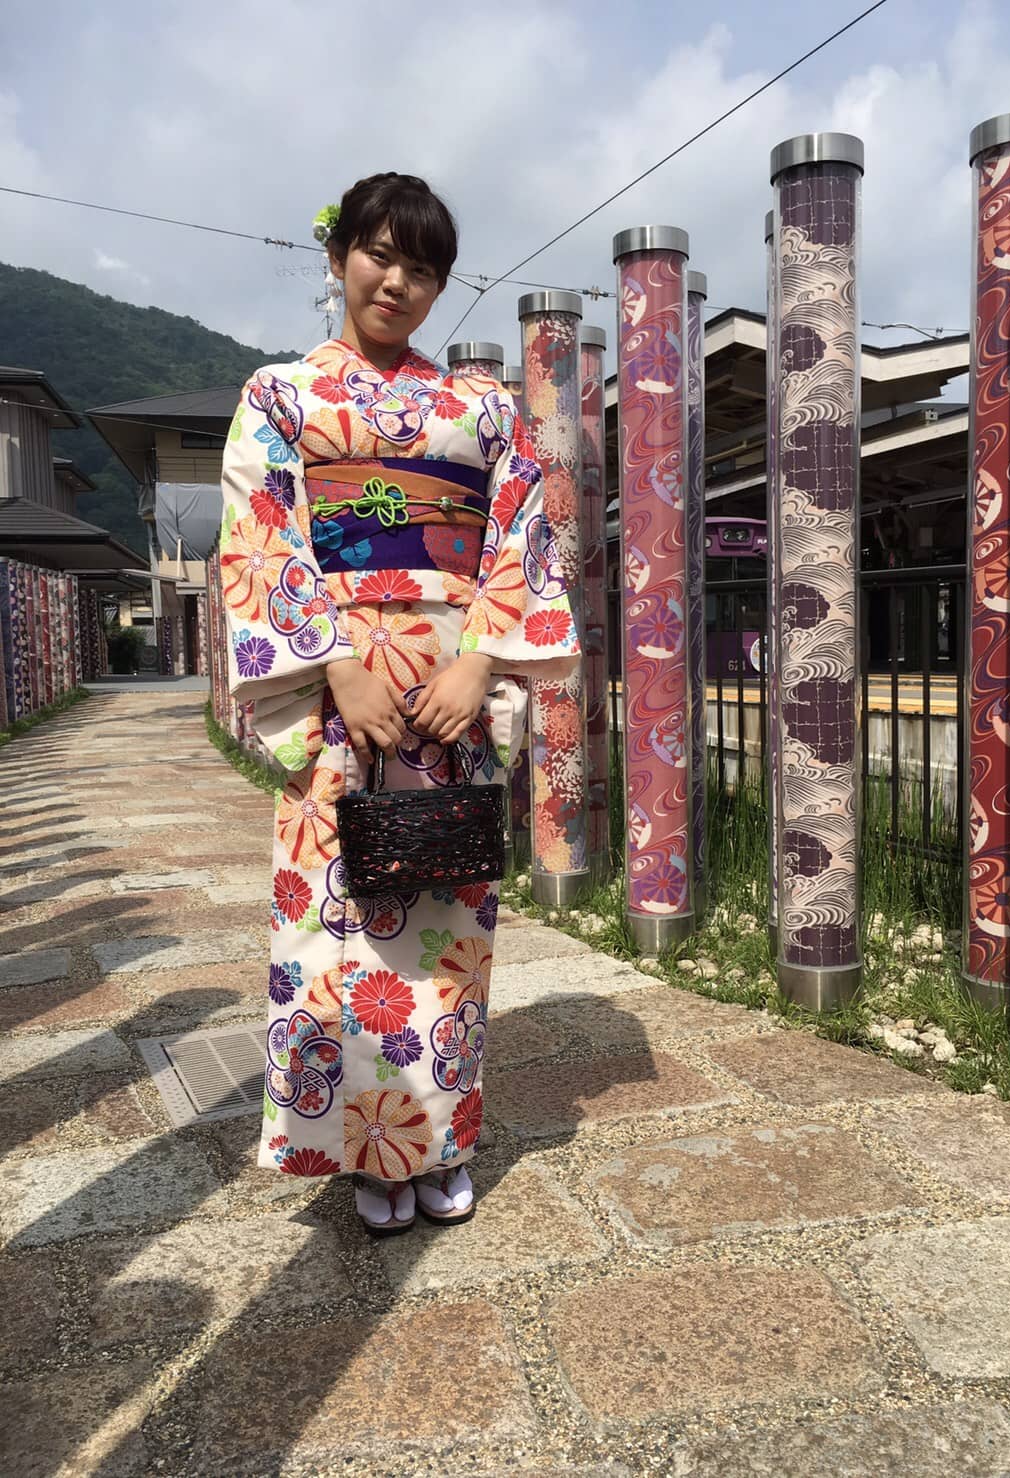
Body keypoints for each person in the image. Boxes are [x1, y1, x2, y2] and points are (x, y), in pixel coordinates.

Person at [218, 172, 578, 1231]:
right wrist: (335, 663)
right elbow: (261, 530)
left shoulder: (482, 408)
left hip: (448, 693)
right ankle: (366, 1152)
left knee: (446, 918)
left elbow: (521, 531)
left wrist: (480, 662)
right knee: (338, 926)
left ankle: (440, 1138)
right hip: (340, 692)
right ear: (338, 258)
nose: (397, 281)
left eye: (421, 268)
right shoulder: (281, 395)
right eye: (379, 255)